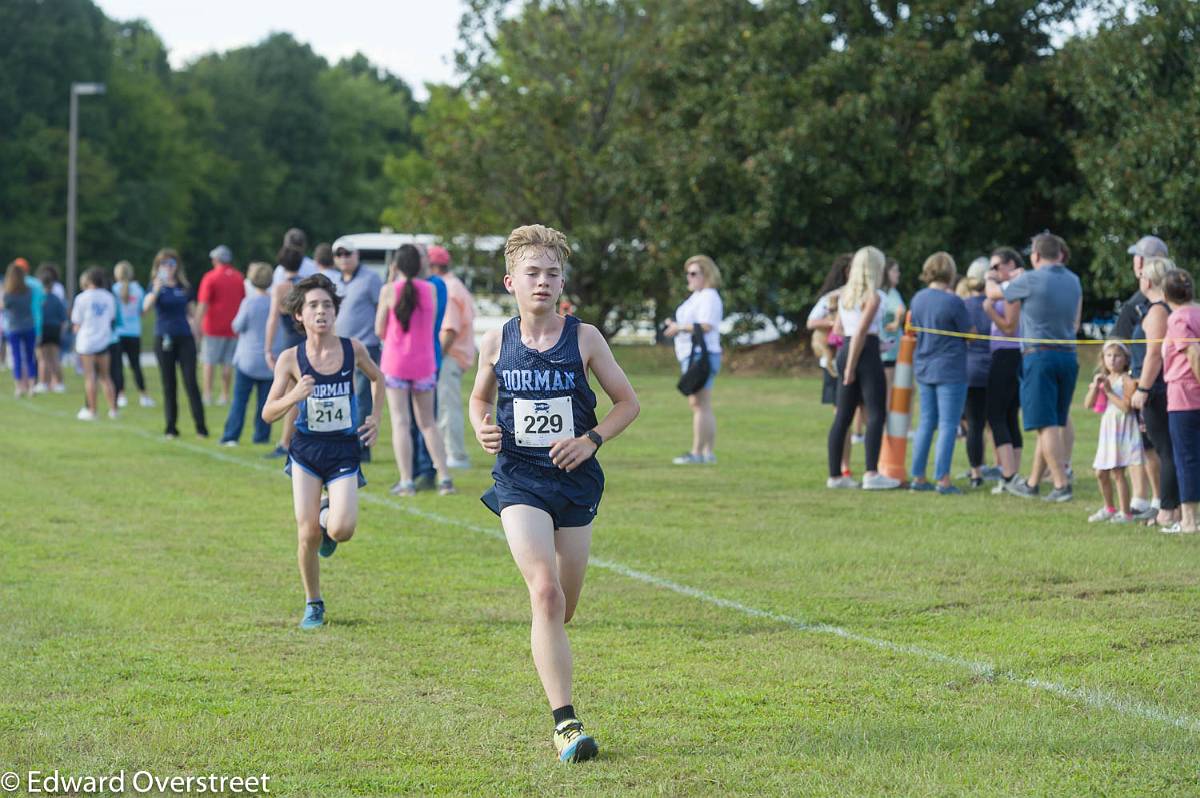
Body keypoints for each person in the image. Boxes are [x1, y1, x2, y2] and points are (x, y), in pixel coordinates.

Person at [469, 224, 639, 763]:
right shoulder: (496, 341)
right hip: (519, 479)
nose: (543, 282)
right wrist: (481, 426)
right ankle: (566, 724)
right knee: (544, 592)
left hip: (575, 482)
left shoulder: (584, 338)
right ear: (510, 281)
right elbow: (478, 400)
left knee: (563, 606)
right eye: (532, 273)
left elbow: (627, 404)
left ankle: (549, 640)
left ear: (562, 281)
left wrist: (591, 440)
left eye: (552, 273)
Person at [261, 274, 384, 629]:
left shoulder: (352, 349)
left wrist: (375, 417)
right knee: (306, 533)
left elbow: (378, 379)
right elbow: (268, 412)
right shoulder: (290, 359)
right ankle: (313, 602)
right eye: (313, 306)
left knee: (343, 529)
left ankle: (328, 514)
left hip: (344, 449)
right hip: (306, 452)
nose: (321, 312)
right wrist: (294, 396)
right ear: (299, 315)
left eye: (327, 305)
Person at [988, 232, 1081, 502]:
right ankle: (1032, 482)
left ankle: (1061, 485)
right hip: (1068, 356)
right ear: (1060, 254)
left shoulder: (1029, 279)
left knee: (1045, 424)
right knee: (1052, 420)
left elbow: (995, 294)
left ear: (1035, 256)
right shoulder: (1074, 280)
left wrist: (992, 277)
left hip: (1039, 356)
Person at [376, 244, 455, 496]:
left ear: (396, 266)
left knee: (401, 422)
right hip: (424, 363)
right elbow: (430, 325)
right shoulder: (431, 289)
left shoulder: (389, 291)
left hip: (396, 363)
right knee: (428, 423)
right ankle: (444, 478)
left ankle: (407, 480)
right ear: (421, 264)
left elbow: (380, 330)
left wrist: (391, 280)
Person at [824, 247, 899, 490]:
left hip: (848, 349)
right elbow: (861, 332)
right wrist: (852, 368)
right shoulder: (874, 296)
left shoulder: (845, 295)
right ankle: (871, 473)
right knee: (876, 412)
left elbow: (838, 330)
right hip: (862, 352)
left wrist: (847, 362)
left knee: (843, 416)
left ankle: (835, 475)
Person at [1112, 235, 1168, 519]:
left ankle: (1160, 500)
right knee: (1143, 445)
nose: (1135, 263)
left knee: (1153, 445)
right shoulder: (1142, 301)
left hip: (1147, 383)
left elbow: (1151, 352)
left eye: (1138, 258)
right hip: (1137, 382)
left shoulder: (1148, 305)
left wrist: (1140, 386)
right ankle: (1147, 498)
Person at [909, 252, 971, 494]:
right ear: (951, 273)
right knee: (948, 424)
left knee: (926, 422)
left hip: (924, 366)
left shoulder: (918, 299)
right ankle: (943, 479)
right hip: (950, 368)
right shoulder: (954, 301)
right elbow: (968, 332)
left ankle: (919, 477)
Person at [1129, 256, 1180, 527]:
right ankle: (1176, 509)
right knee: (1170, 450)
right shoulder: (1163, 309)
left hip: (1157, 389)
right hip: (1162, 388)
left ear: (1148, 280)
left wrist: (1143, 388)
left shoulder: (1158, 311)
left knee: (1166, 451)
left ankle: (1168, 511)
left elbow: (1153, 355)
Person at [664, 255, 723, 465]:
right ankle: (707, 452)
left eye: (693, 273)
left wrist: (678, 327)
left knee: (698, 404)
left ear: (706, 274)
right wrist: (676, 324)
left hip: (702, 355)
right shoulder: (698, 296)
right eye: (688, 273)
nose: (689, 277)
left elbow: (706, 325)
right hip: (694, 354)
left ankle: (698, 452)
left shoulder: (708, 296)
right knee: (702, 404)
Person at [144, 249, 208, 439]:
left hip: (184, 338)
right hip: (164, 338)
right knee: (168, 383)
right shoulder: (155, 287)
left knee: (190, 382)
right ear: (158, 267)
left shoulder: (184, 287)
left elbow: (193, 312)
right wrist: (156, 290)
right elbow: (145, 308)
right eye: (164, 264)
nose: (168, 268)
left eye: (171, 264)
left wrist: (199, 332)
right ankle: (171, 427)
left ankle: (201, 428)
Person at [330, 237, 384, 462]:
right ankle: (341, 443)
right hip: (338, 346)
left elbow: (380, 308)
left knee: (362, 398)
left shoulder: (371, 278)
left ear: (356, 255)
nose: (343, 258)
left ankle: (362, 448)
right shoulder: (333, 279)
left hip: (366, 345)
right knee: (341, 396)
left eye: (347, 254)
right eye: (339, 254)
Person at [1083, 342, 1143, 523]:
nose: (1112, 360)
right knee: (1101, 472)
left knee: (1118, 472)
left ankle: (1126, 513)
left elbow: (1126, 407)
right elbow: (1088, 405)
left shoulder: (1126, 380)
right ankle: (1109, 507)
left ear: (1125, 360)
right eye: (1108, 356)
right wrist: (1096, 388)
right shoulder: (1103, 378)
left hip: (1122, 429)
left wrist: (1108, 391)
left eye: (1117, 356)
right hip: (1108, 430)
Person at [807, 254, 855, 474]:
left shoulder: (865, 296)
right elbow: (811, 321)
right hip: (836, 359)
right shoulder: (833, 297)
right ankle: (842, 466)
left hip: (858, 358)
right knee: (842, 415)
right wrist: (833, 322)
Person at [430, 245, 476, 469]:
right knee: (445, 407)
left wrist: (435, 360)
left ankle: (456, 456)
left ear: (433, 266)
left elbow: (449, 330)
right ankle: (451, 454)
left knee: (448, 408)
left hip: (448, 355)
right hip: (451, 355)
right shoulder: (454, 284)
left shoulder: (447, 288)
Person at [982, 247, 1025, 493]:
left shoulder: (1012, 290)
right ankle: (1013, 475)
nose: (992, 272)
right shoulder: (1009, 288)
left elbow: (1010, 327)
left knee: (996, 413)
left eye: (996, 266)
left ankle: (1009, 475)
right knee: (1008, 415)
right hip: (1006, 354)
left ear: (1010, 265)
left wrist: (989, 312)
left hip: (1007, 354)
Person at [221, 262, 276, 446]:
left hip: (247, 360)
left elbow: (237, 326)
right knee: (265, 403)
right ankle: (261, 437)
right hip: (269, 360)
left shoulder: (249, 302)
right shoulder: (275, 303)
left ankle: (231, 436)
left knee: (240, 401)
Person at [1162, 269, 1200, 534]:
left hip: (1185, 397)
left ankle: (1189, 521)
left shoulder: (1177, 319)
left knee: (1186, 458)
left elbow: (1192, 352)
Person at [264, 246, 308, 457]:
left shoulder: (281, 288)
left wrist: (267, 348)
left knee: (292, 395)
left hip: (291, 342)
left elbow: (273, 318)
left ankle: (285, 442)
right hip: (308, 341)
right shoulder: (306, 286)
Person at [196, 245, 246, 406]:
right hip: (233, 327)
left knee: (209, 361)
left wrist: (197, 323)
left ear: (217, 259)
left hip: (213, 327)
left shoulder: (210, 277)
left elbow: (203, 303)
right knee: (228, 363)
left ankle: (208, 394)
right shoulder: (238, 277)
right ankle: (225, 395)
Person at [961, 258, 994, 487]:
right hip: (994, 370)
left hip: (969, 372)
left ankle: (976, 473)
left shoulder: (962, 306)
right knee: (998, 422)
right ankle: (1003, 466)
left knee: (973, 425)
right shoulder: (996, 305)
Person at [72, 267, 119, 421]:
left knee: (90, 377)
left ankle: (92, 410)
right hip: (104, 339)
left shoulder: (82, 298)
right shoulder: (109, 297)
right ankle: (113, 410)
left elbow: (76, 322)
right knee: (106, 377)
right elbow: (111, 317)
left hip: (86, 341)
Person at [109, 261, 152, 407]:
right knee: (136, 366)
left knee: (118, 366)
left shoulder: (114, 289)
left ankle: (121, 395)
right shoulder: (138, 289)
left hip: (118, 333)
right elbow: (142, 311)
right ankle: (144, 396)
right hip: (134, 332)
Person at [2, 261, 37, 397]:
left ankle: (19, 387)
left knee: (16, 357)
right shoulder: (29, 291)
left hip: (13, 328)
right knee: (30, 357)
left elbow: (4, 307)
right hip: (29, 326)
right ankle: (31, 386)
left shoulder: (8, 293)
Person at [35, 264, 67, 394]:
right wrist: (62, 332)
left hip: (42, 329)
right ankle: (59, 383)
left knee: (42, 358)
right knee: (54, 358)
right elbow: (63, 318)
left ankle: (43, 383)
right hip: (55, 329)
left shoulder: (38, 299)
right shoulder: (57, 299)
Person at [880, 257, 906, 394]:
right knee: (889, 393)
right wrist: (897, 322)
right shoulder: (891, 293)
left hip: (883, 352)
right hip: (890, 354)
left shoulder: (880, 292)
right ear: (886, 273)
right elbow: (900, 310)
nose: (898, 274)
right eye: (895, 270)